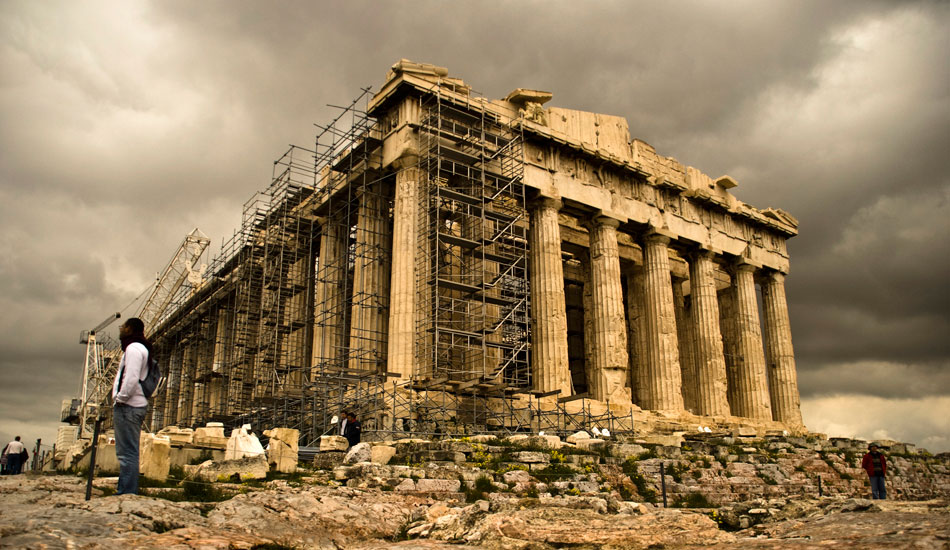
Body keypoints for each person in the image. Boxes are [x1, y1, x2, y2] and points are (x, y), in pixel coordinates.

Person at [112, 317, 152, 495]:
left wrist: (121, 398)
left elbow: (131, 377)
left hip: (128, 406)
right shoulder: (138, 348)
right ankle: (126, 490)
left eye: (123, 326)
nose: (121, 329)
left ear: (129, 329)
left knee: (127, 453)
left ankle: (127, 492)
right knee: (128, 452)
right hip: (133, 405)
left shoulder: (134, 348)